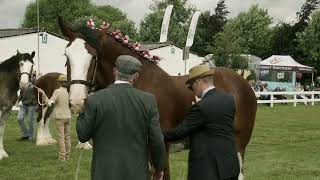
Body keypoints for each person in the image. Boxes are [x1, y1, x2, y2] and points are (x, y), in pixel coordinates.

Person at [76, 55, 166, 180]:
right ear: (136, 76)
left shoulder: (94, 99)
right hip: (136, 172)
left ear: (114, 72)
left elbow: (83, 135)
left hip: (103, 172)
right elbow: (156, 139)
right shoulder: (148, 100)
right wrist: (159, 168)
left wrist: (81, 112)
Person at [162, 64, 239, 180]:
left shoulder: (201, 107)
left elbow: (179, 132)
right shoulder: (228, 99)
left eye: (191, 87)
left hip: (206, 170)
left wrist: (154, 132)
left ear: (197, 83)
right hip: (230, 165)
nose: (192, 90)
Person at [39, 74, 72, 161]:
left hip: (59, 117)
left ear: (59, 82)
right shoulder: (69, 91)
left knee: (61, 137)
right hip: (68, 116)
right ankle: (67, 155)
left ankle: (62, 157)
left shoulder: (57, 91)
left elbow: (49, 103)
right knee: (67, 137)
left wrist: (43, 94)